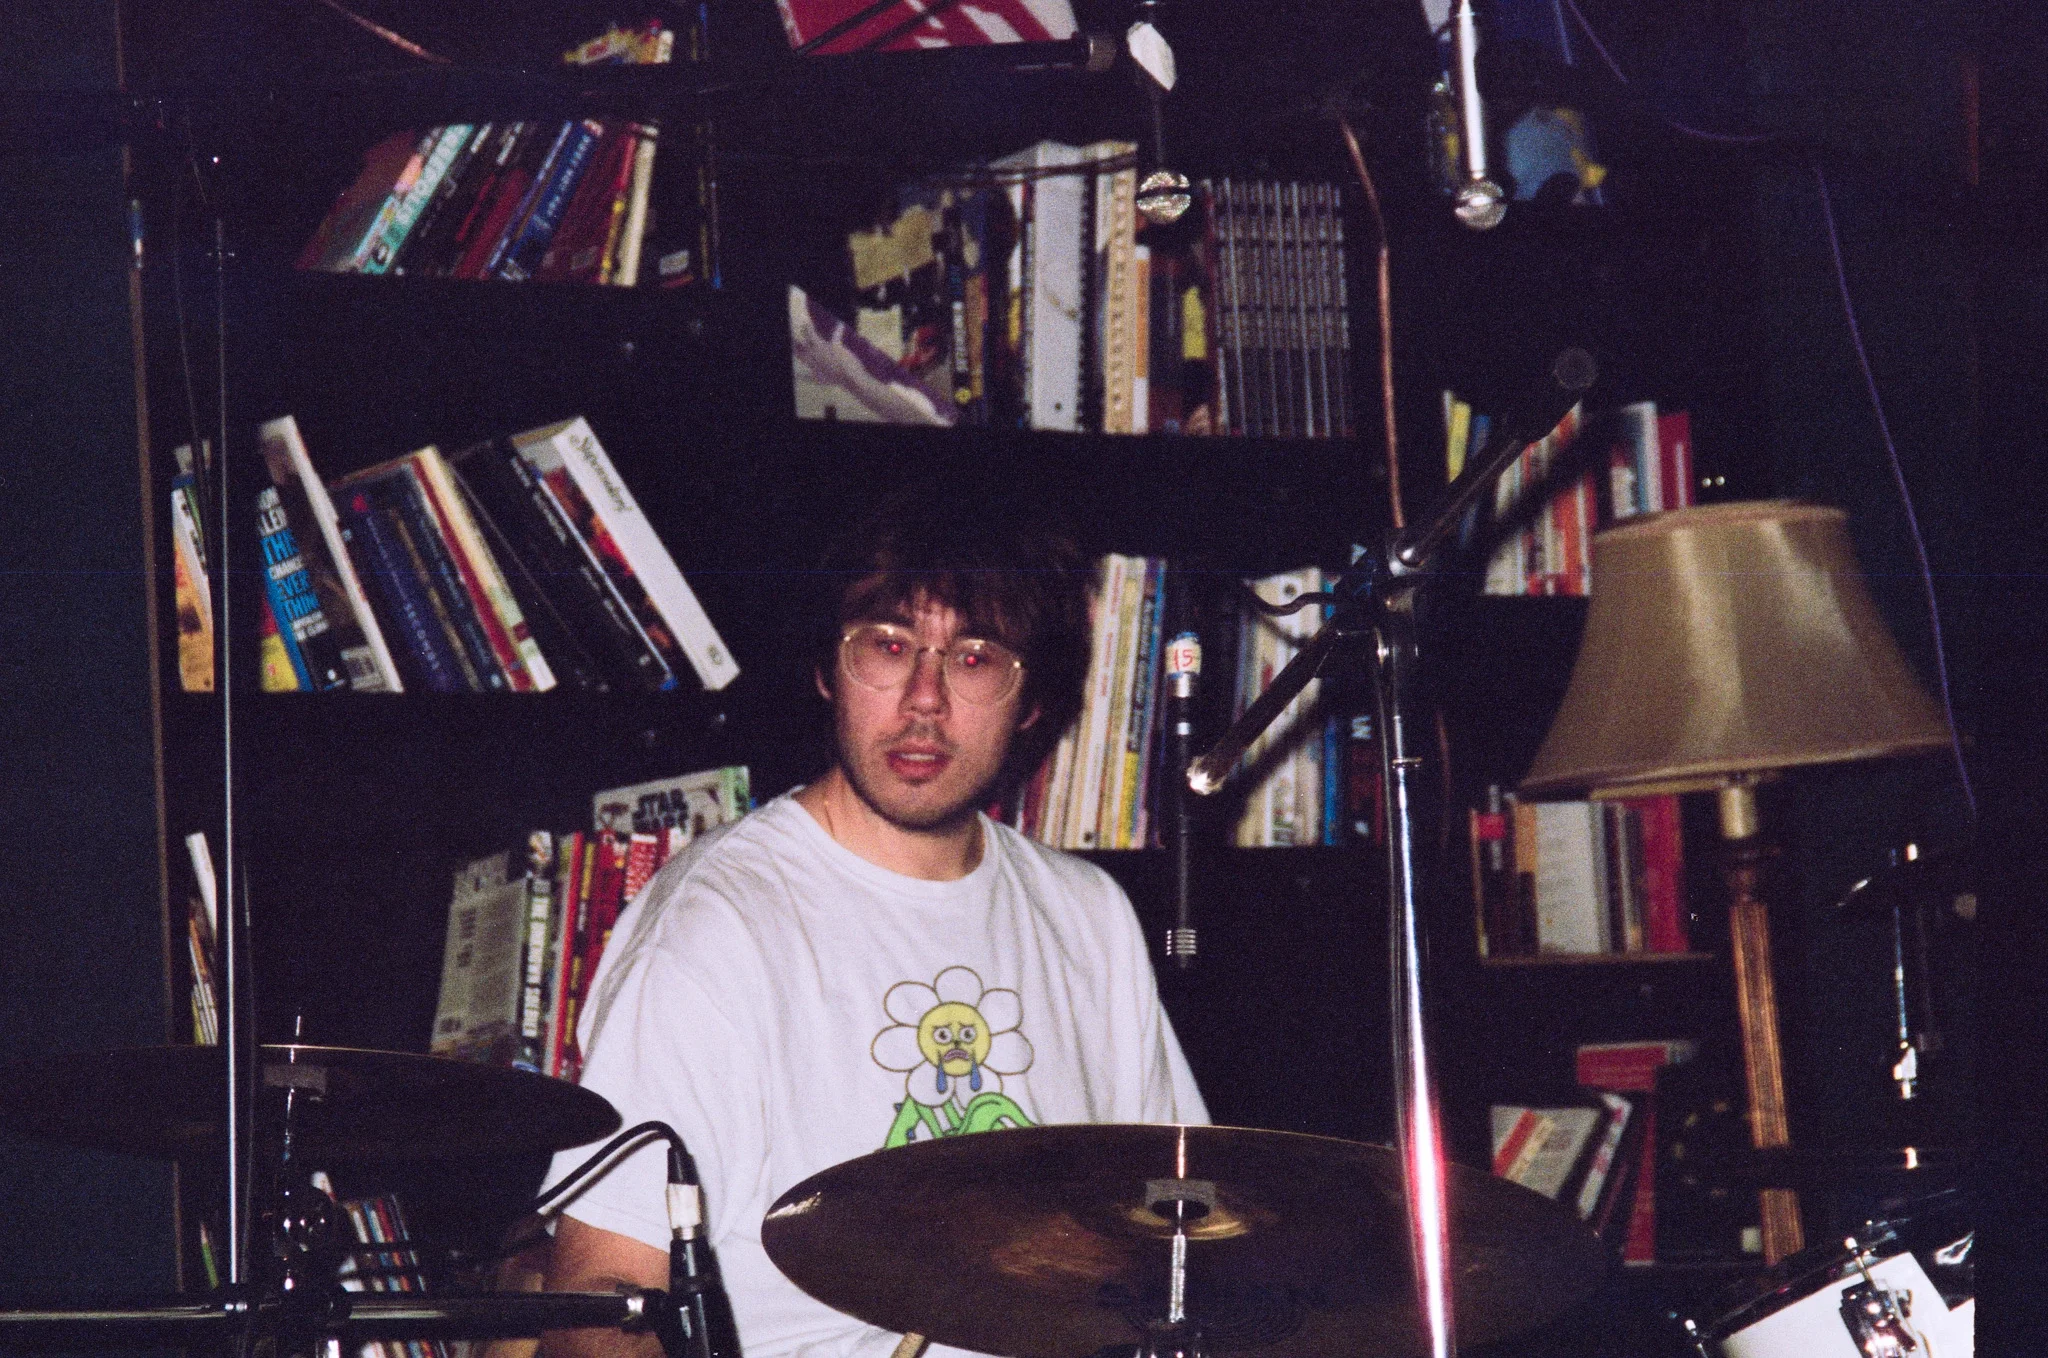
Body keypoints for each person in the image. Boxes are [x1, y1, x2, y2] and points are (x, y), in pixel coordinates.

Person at [539, 486, 1209, 1358]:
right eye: (888, 647)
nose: (925, 700)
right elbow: (600, 1310)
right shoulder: (719, 927)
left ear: (1032, 700)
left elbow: (1187, 1227)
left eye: (974, 659)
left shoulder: (1089, 916)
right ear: (828, 670)